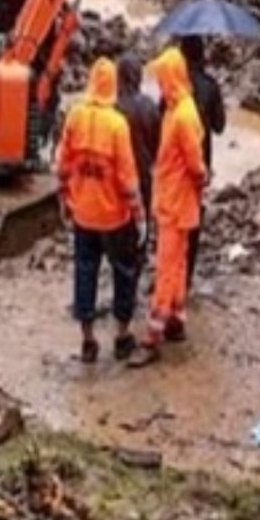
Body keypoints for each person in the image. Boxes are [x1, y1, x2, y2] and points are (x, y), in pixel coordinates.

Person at [57, 58, 145, 364]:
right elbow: (127, 177)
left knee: (85, 272)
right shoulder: (117, 125)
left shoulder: (75, 117)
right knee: (123, 272)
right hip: (114, 217)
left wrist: (65, 201)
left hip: (83, 214)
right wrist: (140, 215)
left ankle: (88, 339)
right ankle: (122, 335)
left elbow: (62, 165)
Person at [132, 46, 207, 366]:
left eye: (162, 79)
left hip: (175, 202)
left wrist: (201, 178)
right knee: (177, 262)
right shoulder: (179, 109)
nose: (159, 85)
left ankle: (154, 333)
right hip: (176, 200)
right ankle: (176, 318)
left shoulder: (183, 115)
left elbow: (195, 164)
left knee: (166, 266)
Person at [179, 36, 226, 288]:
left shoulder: (174, 85)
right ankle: (187, 275)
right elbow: (219, 127)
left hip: (174, 165)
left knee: (173, 218)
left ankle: (173, 271)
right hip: (200, 162)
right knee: (193, 216)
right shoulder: (210, 86)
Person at [116, 54, 161, 216]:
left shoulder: (111, 106)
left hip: (116, 177)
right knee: (142, 221)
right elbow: (158, 145)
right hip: (142, 173)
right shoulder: (149, 105)